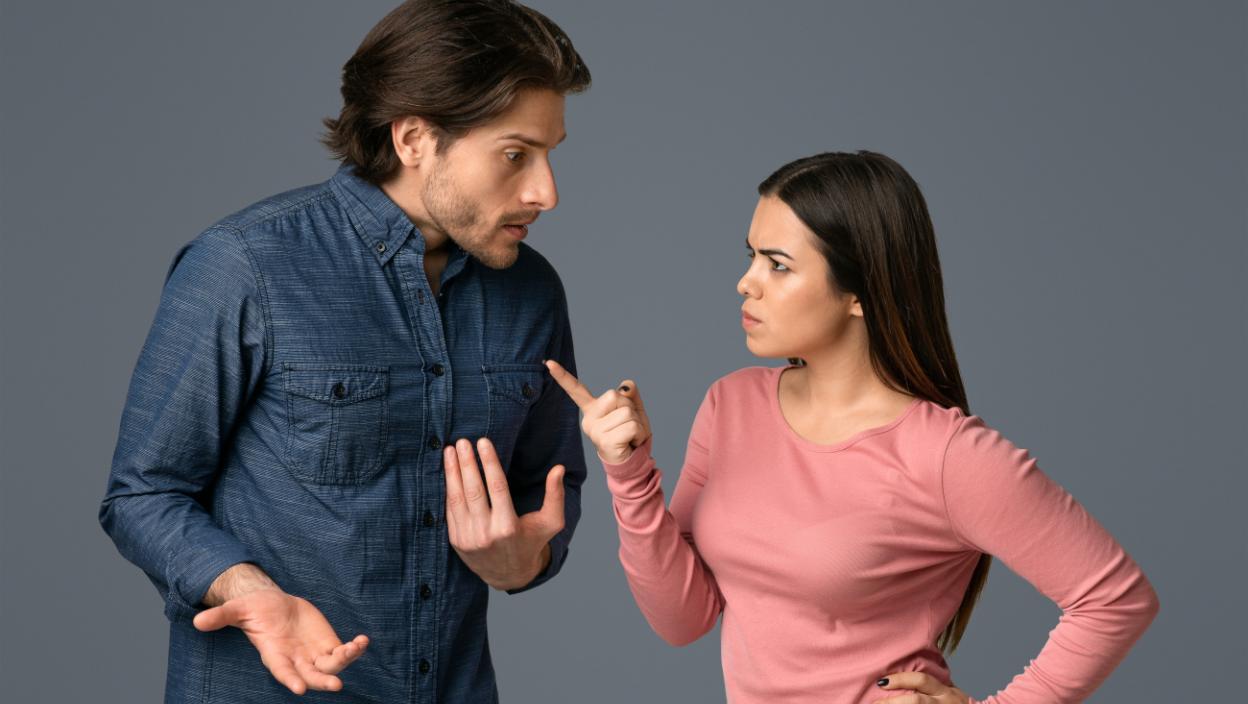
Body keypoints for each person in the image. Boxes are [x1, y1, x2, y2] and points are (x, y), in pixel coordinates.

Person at [98, 1, 590, 701]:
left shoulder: (533, 291)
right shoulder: (245, 264)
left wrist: (526, 561)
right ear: (415, 138)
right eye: (515, 155)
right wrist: (246, 587)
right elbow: (144, 493)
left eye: (549, 154)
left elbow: (549, 486)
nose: (547, 192)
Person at [547, 151, 1160, 703]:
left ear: (860, 292)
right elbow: (683, 620)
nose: (746, 281)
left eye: (778, 265)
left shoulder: (947, 454)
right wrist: (629, 472)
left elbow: (1116, 599)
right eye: (751, 255)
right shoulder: (731, 404)